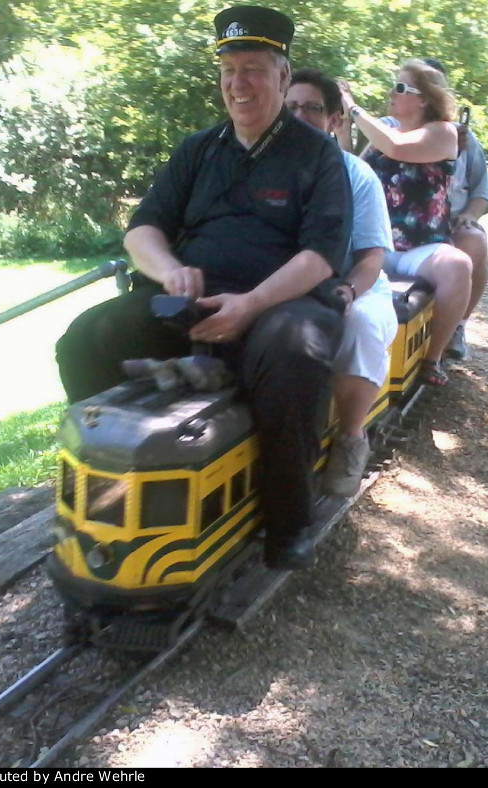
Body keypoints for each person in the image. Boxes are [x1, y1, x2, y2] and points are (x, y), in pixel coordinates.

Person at [55, 6, 353, 571]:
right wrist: (168, 270)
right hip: (187, 301)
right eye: (229, 71)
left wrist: (253, 303)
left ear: (283, 77)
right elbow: (141, 231)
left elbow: (321, 257)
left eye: (255, 69)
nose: (238, 84)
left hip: (282, 306)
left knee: (294, 352)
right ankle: (113, 488)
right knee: (86, 338)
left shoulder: (317, 155)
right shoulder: (197, 150)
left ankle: (287, 520)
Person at [285, 69, 397, 497]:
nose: (299, 116)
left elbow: (371, 258)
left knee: (359, 325)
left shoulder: (357, 176)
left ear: (334, 119)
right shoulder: (265, 168)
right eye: (291, 106)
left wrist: (348, 292)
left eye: (312, 108)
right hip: (290, 288)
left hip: (353, 284)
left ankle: (351, 438)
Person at [338, 61, 472, 386]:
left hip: (421, 245)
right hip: (375, 244)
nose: (390, 93)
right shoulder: (387, 131)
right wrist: (342, 124)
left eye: (400, 88)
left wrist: (352, 107)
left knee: (459, 266)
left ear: (424, 99)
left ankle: (432, 358)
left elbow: (396, 148)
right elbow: (352, 170)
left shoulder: (443, 132)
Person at [420, 58, 488, 361]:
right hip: (404, 226)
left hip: (450, 225)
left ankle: (457, 325)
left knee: (476, 240)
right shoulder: (393, 131)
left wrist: (470, 216)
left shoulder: (466, 138)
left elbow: (482, 192)